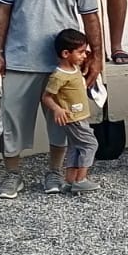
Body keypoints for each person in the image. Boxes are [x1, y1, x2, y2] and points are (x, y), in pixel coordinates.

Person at [0, 0, 103, 198]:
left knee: (62, 123)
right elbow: (0, 12)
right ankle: (12, 175)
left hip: (62, 67)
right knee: (12, 122)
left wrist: (97, 56)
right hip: (20, 59)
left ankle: (54, 172)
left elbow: (90, 17)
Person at [42, 29, 99, 194]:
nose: (84, 56)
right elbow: (46, 97)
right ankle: (81, 180)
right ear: (66, 53)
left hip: (79, 116)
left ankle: (70, 180)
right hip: (73, 118)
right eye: (80, 52)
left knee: (75, 146)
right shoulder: (59, 76)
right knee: (90, 144)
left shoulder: (75, 69)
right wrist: (57, 109)